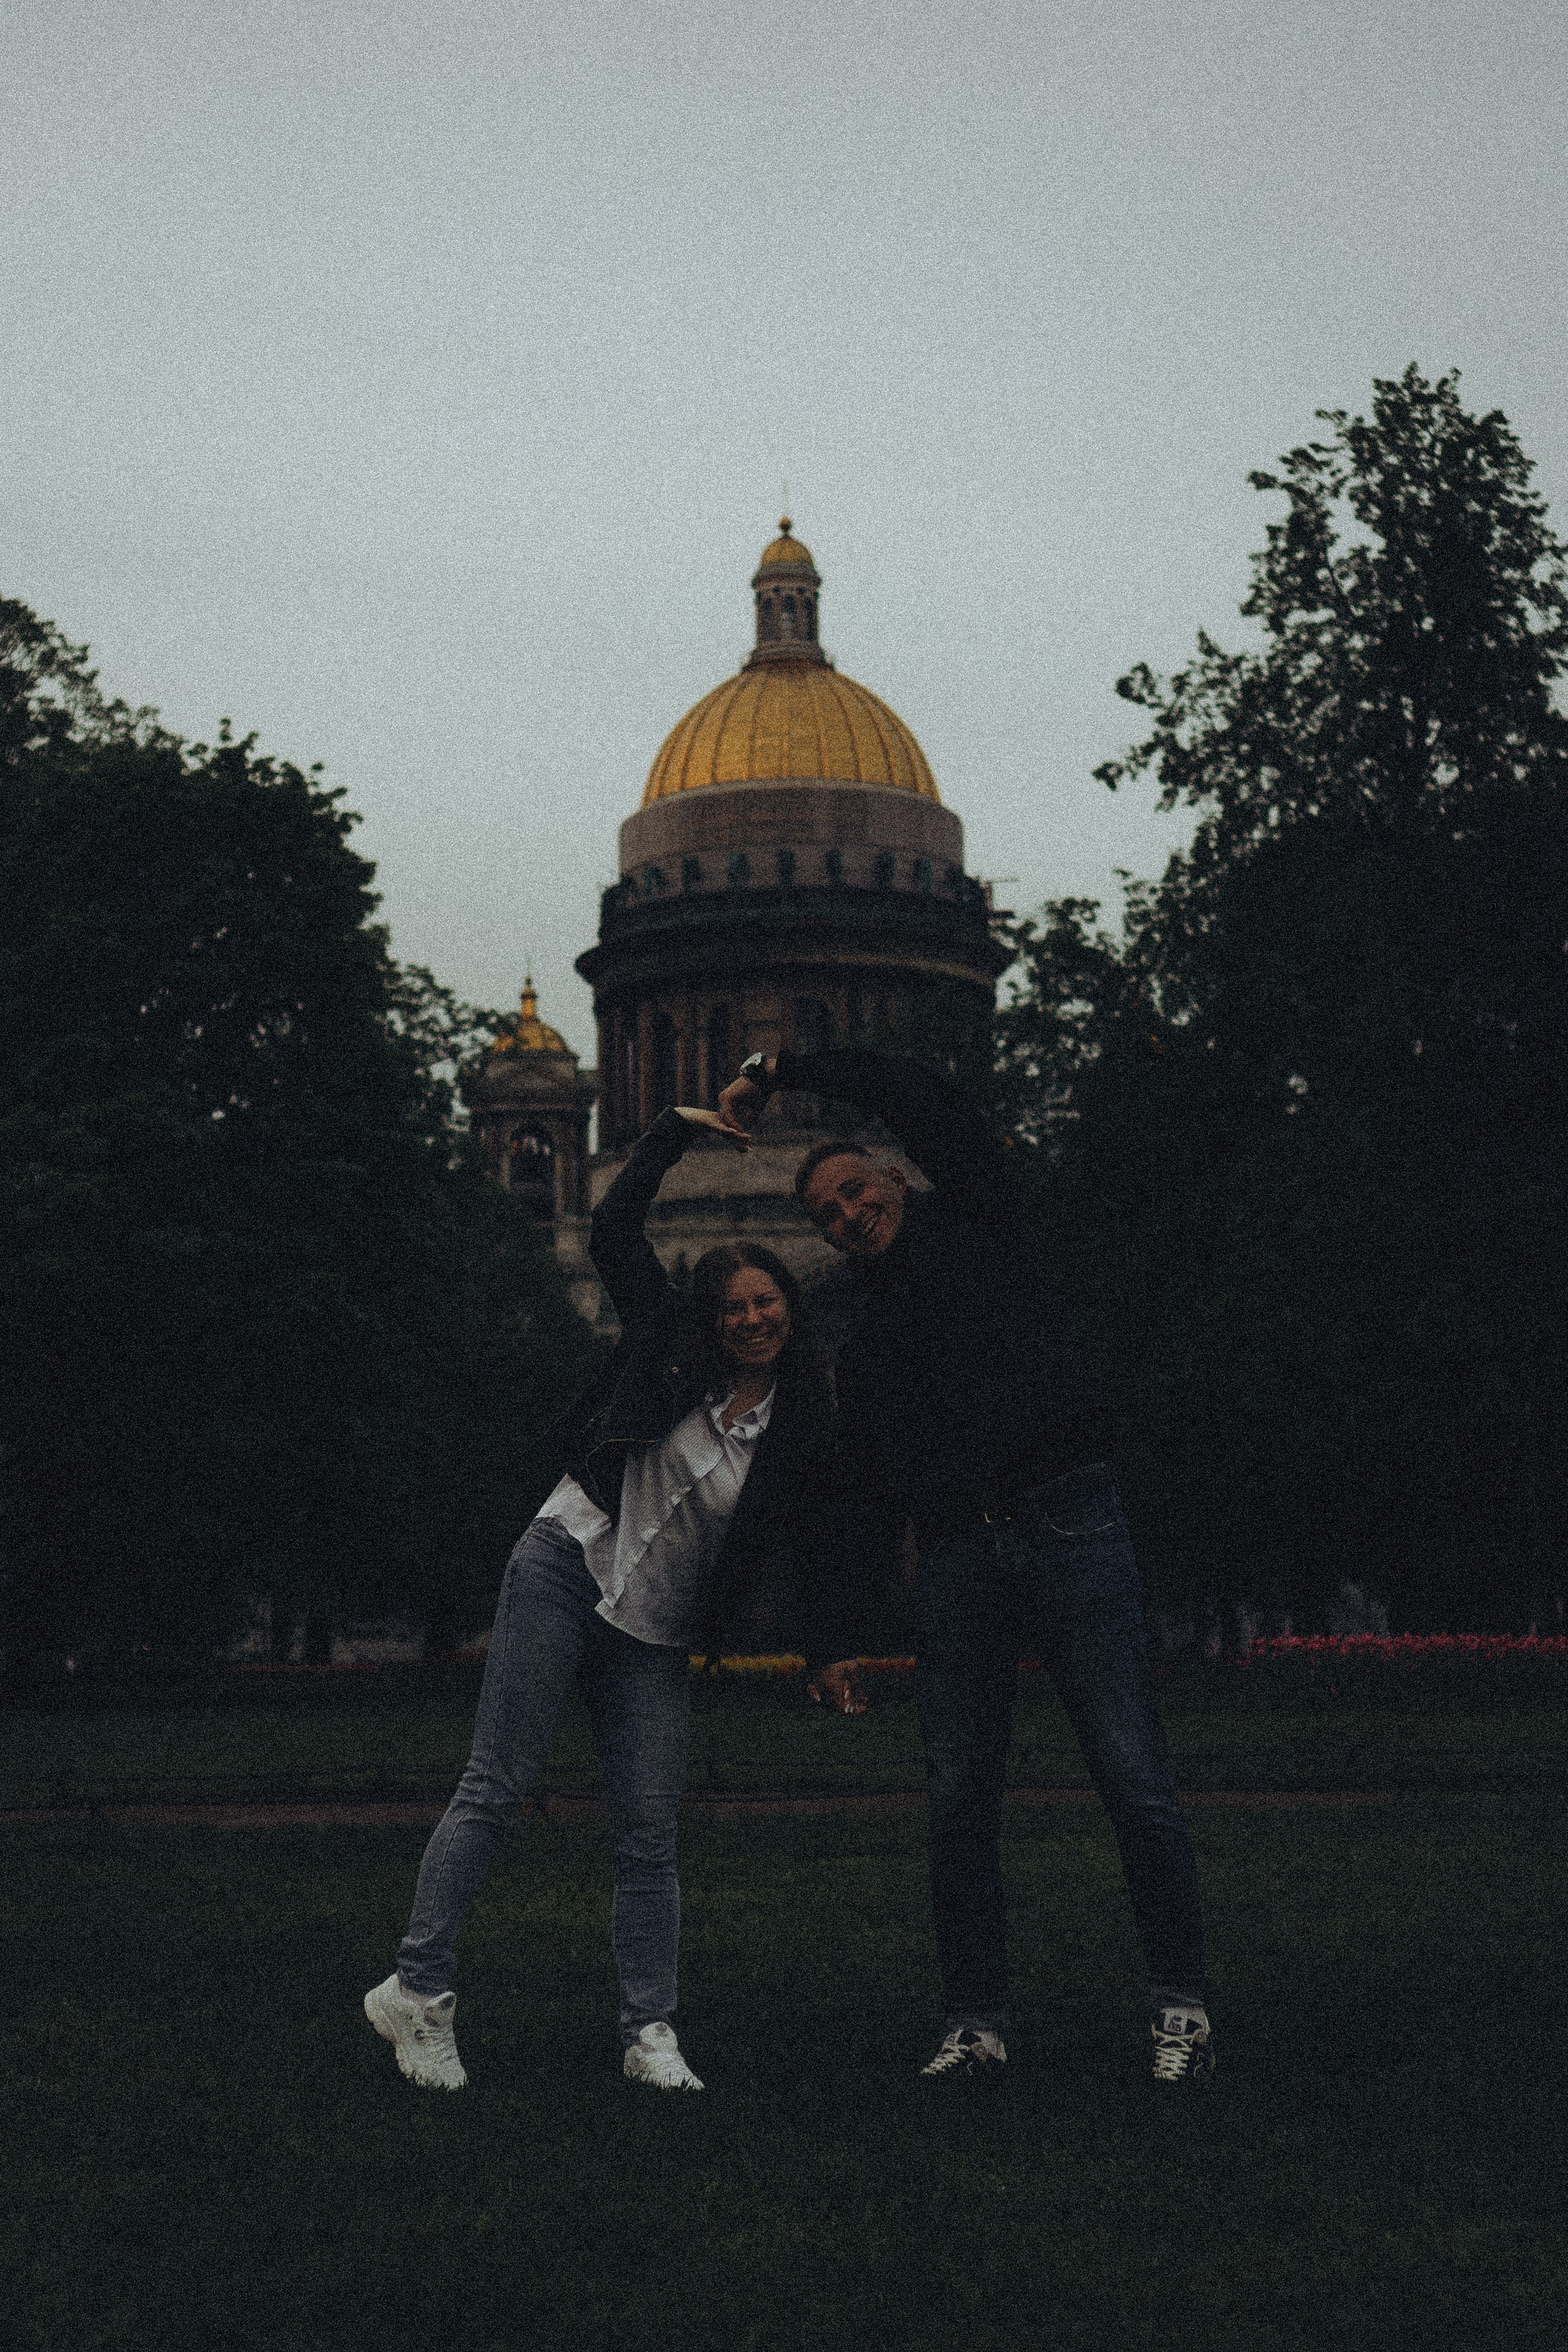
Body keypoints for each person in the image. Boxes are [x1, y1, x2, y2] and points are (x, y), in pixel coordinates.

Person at [717, 1046, 1215, 2089]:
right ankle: (976, 2023)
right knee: (956, 1799)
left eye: (857, 1191)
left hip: (1068, 1519)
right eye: (828, 1215)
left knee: (1133, 1776)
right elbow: (862, 1495)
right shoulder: (858, 1334)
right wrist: (836, 1637)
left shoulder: (984, 1219)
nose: (849, 1215)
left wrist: (784, 1068)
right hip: (956, 1555)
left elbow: (917, 1093)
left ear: (899, 1177)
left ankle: (1181, 2003)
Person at [364, 1101, 841, 2095]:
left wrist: (826, 1649)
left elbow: (821, 1548)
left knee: (648, 1835)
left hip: (655, 1630)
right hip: (565, 1564)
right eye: (736, 1307)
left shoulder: (804, 1426)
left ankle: (649, 2032)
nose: (754, 1319)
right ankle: (418, 1991)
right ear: (711, 1316)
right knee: (495, 1787)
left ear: (791, 1307)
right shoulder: (665, 1339)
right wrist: (672, 1132)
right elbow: (615, 1230)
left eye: (769, 1302)